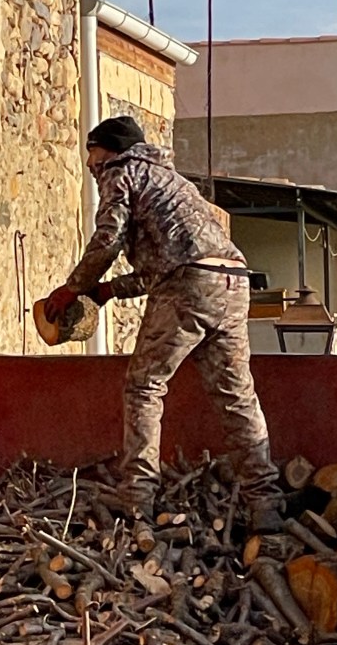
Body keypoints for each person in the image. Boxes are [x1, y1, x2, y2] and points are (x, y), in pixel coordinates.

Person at [44, 114, 284, 535]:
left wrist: (72, 288)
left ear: (108, 151)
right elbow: (164, 266)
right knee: (237, 398)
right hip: (233, 282)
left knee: (144, 386)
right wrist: (106, 292)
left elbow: (108, 239)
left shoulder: (122, 172)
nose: (90, 167)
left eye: (92, 156)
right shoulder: (174, 184)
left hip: (189, 283)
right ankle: (265, 504)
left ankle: (136, 499)